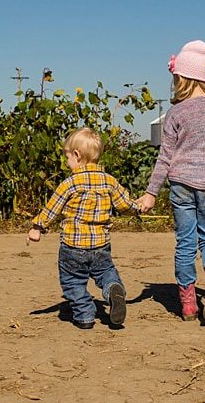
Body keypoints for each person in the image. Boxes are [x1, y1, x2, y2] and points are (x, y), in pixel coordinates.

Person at [138, 40, 205, 322]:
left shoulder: (176, 113)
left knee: (185, 242)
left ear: (181, 77)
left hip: (181, 184)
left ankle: (187, 305)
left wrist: (151, 193)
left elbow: (164, 158)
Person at [27, 127, 140, 330]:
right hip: (100, 245)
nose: (67, 162)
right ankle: (113, 288)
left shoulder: (70, 183)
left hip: (72, 246)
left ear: (77, 155)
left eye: (68, 157)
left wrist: (37, 227)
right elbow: (125, 205)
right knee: (106, 271)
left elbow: (52, 208)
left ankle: (85, 316)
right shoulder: (109, 181)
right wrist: (139, 207)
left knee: (72, 282)